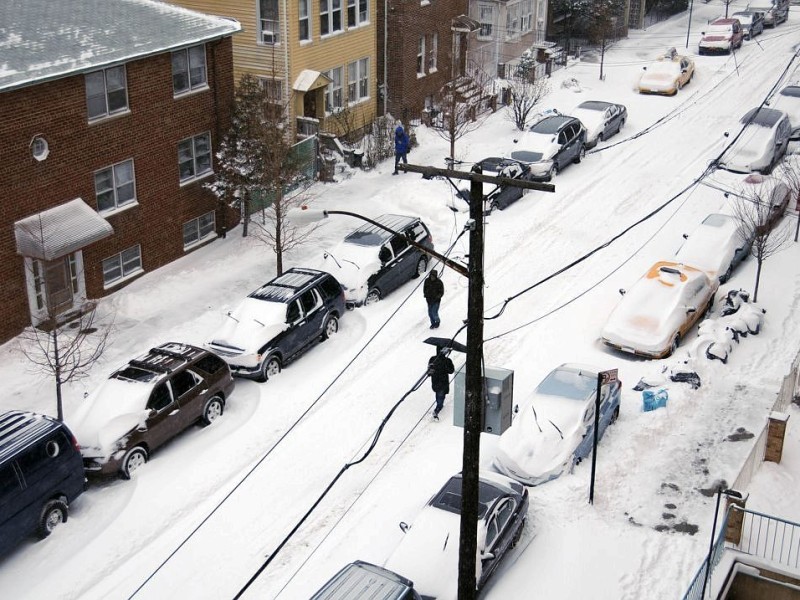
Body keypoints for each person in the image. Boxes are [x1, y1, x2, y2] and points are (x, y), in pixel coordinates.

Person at [428, 350, 455, 420]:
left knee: (440, 394)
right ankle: (437, 409)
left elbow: (429, 372)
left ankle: (438, 407)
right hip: (442, 381)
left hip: (437, 381)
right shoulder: (446, 360)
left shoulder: (433, 359)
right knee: (440, 395)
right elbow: (451, 370)